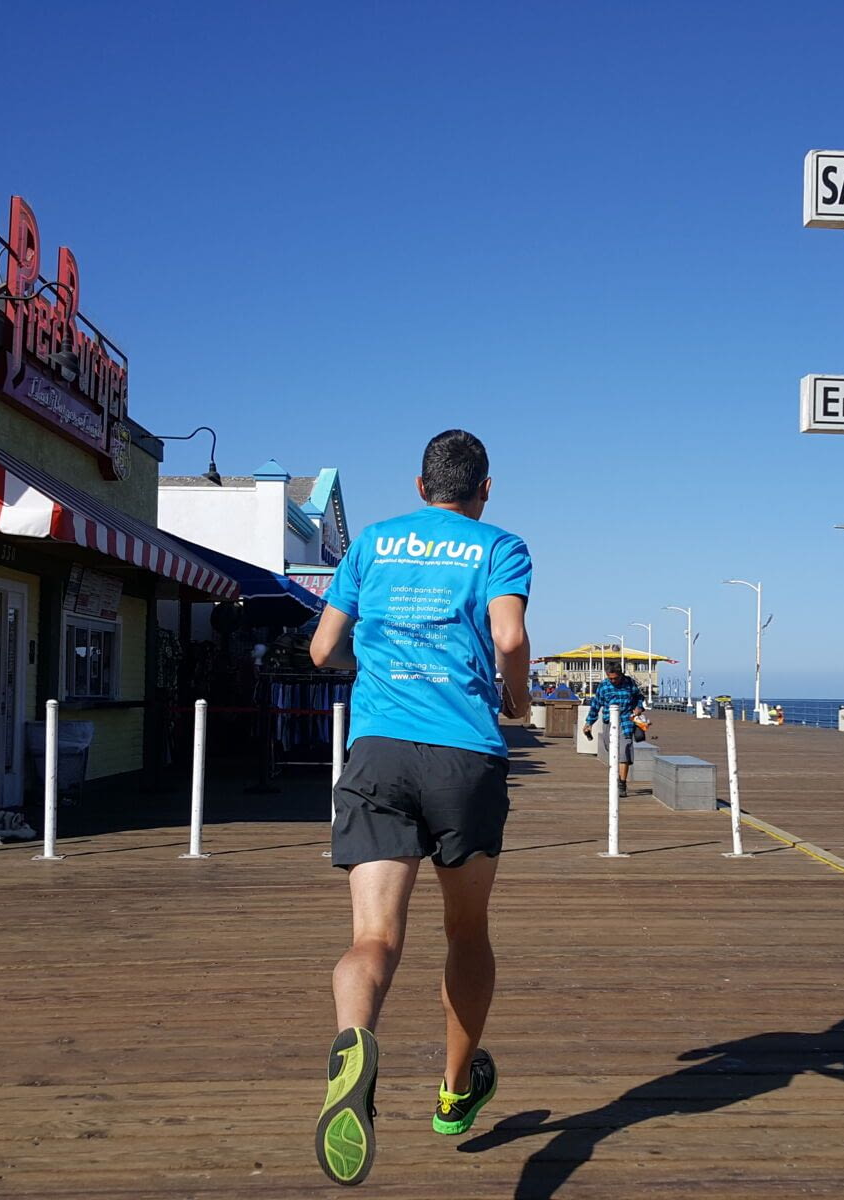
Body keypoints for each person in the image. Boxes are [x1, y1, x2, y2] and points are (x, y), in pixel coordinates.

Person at [308, 429, 532, 1186]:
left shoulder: (371, 544)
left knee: (373, 937)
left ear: (419, 485)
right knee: (467, 931)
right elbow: (508, 636)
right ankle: (453, 1092)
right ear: (484, 489)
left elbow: (322, 651)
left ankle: (355, 1041)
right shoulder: (498, 545)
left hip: (379, 751)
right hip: (465, 754)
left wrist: (362, 660)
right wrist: (520, 699)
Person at [584, 663, 646, 795]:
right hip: (609, 721)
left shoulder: (629, 683)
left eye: (615, 678)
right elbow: (596, 704)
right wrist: (589, 722)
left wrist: (639, 707)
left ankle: (622, 784)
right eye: (610, 678)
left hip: (626, 720)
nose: (613, 681)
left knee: (624, 751)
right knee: (611, 748)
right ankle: (617, 776)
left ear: (621, 675)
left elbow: (639, 697)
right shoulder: (604, 686)